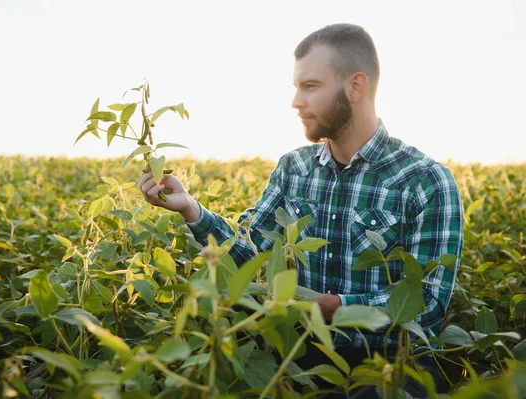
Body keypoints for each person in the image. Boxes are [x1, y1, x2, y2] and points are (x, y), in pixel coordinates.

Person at [138, 23, 463, 397]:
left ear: (356, 86)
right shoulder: (294, 168)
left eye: (310, 86)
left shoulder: (425, 180)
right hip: (301, 349)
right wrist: (191, 210)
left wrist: (339, 308)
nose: (296, 101)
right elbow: (252, 255)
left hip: (391, 361)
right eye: (296, 87)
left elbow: (429, 305)